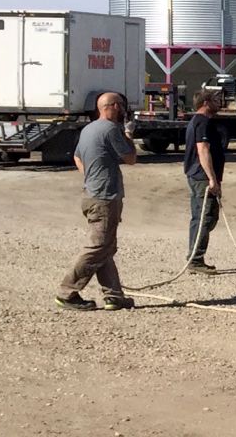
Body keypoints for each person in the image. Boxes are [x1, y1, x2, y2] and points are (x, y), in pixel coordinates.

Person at [56, 92, 138, 311]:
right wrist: (129, 134)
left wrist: (90, 178)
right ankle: (67, 292)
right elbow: (130, 158)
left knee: (106, 247)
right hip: (105, 196)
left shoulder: (89, 129)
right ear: (108, 107)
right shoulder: (111, 129)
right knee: (97, 246)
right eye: (119, 105)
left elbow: (77, 157)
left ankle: (114, 296)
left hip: (92, 194)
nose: (122, 109)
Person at [183, 88, 227, 273]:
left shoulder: (200, 121)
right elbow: (203, 150)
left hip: (199, 176)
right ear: (206, 103)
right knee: (205, 217)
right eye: (216, 100)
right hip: (202, 178)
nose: (220, 103)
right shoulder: (202, 123)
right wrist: (212, 178)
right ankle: (196, 260)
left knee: (204, 216)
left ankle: (194, 256)